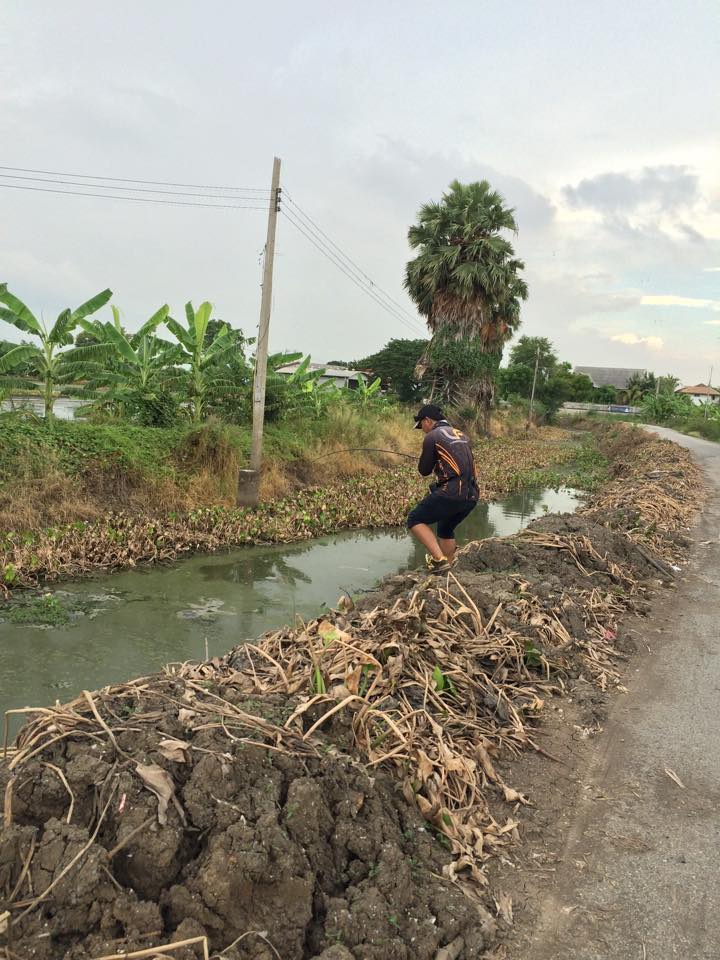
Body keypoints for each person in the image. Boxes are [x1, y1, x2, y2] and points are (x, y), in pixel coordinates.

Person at [407, 404, 479, 573]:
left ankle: (439, 561)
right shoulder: (462, 435)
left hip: (453, 492)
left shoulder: (432, 436)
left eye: (421, 426)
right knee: (445, 528)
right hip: (472, 496)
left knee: (415, 519)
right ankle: (450, 565)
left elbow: (424, 470)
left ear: (427, 421)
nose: (422, 430)